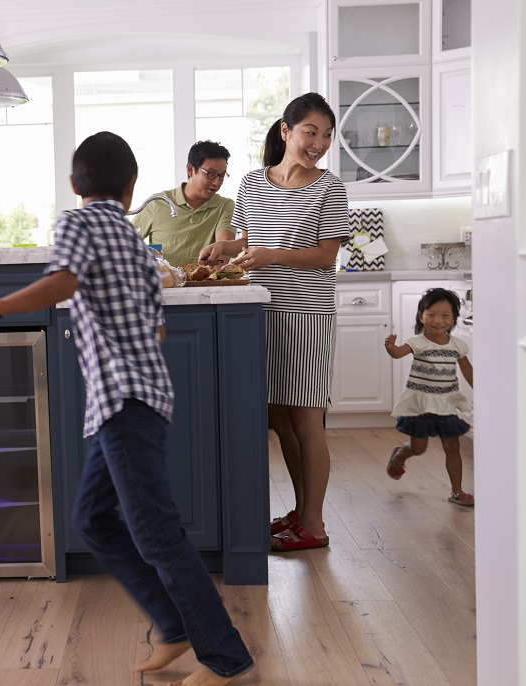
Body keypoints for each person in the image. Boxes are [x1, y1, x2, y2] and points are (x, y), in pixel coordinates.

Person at [0, 131, 254, 686]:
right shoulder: (137, 243)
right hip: (143, 398)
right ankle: (173, 626)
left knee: (156, 533)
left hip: (122, 400)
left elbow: (64, 280)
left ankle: (226, 660)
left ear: (73, 185)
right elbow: (155, 330)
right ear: (132, 188)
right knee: (93, 519)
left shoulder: (77, 223)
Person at [198, 92, 349, 553]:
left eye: (325, 135)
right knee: (278, 417)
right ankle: (302, 513)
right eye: (310, 132)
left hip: (307, 314)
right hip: (261, 311)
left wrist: (271, 255)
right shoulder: (250, 184)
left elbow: (326, 255)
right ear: (286, 131)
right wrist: (224, 250)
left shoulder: (330, 187)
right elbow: (249, 241)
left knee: (307, 417)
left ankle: (316, 525)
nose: (319, 143)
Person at [384, 288, 475, 506]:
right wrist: (390, 347)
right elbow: (398, 354)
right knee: (419, 448)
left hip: (446, 405)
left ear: (453, 319)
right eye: (431, 314)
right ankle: (400, 456)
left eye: (446, 315)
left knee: (452, 448)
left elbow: (467, 370)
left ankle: (457, 492)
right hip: (420, 407)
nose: (438, 320)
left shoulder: (457, 345)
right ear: (421, 316)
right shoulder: (418, 342)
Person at [132, 140, 236, 267]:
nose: (216, 182)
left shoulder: (225, 206)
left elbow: (223, 249)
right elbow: (127, 243)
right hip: (167, 284)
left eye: (221, 176)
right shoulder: (157, 203)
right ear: (191, 169)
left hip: (206, 284)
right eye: (211, 174)